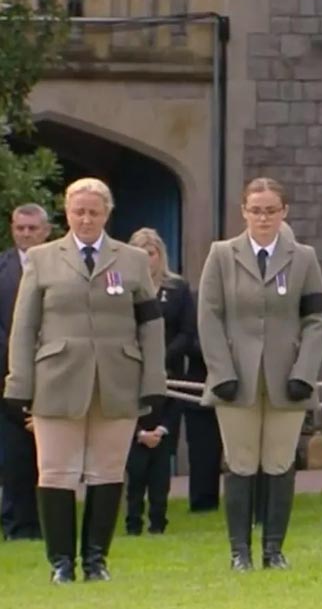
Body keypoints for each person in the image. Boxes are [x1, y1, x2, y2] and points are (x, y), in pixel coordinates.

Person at [4, 178, 168, 583]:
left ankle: (96, 560)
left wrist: (154, 381)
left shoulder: (131, 260)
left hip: (117, 378)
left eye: (94, 211)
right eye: (79, 211)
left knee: (107, 471)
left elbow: (150, 325)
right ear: (67, 213)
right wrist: (18, 384)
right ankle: (61, 562)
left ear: (107, 213)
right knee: (56, 471)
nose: (86, 218)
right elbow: (24, 326)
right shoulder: (43, 259)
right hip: (57, 379)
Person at [198, 177, 322, 571]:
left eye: (271, 210)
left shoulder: (303, 257)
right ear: (244, 212)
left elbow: (317, 318)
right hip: (236, 379)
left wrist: (304, 371)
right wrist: (220, 369)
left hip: (285, 378)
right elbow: (209, 315)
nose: (264, 217)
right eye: (256, 210)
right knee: (240, 461)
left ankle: (274, 550)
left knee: (278, 461)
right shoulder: (221, 255)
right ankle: (240, 552)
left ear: (284, 212)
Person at [123, 228, 193, 535]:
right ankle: (132, 521)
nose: (146, 258)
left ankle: (159, 521)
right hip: (131, 374)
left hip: (170, 375)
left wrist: (160, 357)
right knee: (135, 464)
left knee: (161, 458)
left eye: (150, 252)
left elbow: (187, 332)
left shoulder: (177, 289)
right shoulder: (121, 288)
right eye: (139, 252)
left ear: (160, 255)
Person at [0, 203, 52, 542]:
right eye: (20, 228)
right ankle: (18, 526)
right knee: (15, 456)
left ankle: (50, 525)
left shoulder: (60, 264)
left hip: (53, 374)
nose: (26, 234)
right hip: (7, 378)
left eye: (32, 228)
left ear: (46, 230)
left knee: (50, 458)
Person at [180, 301, 222, 513]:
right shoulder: (194, 303)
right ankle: (203, 502)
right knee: (202, 451)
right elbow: (187, 341)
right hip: (200, 386)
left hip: (240, 384)